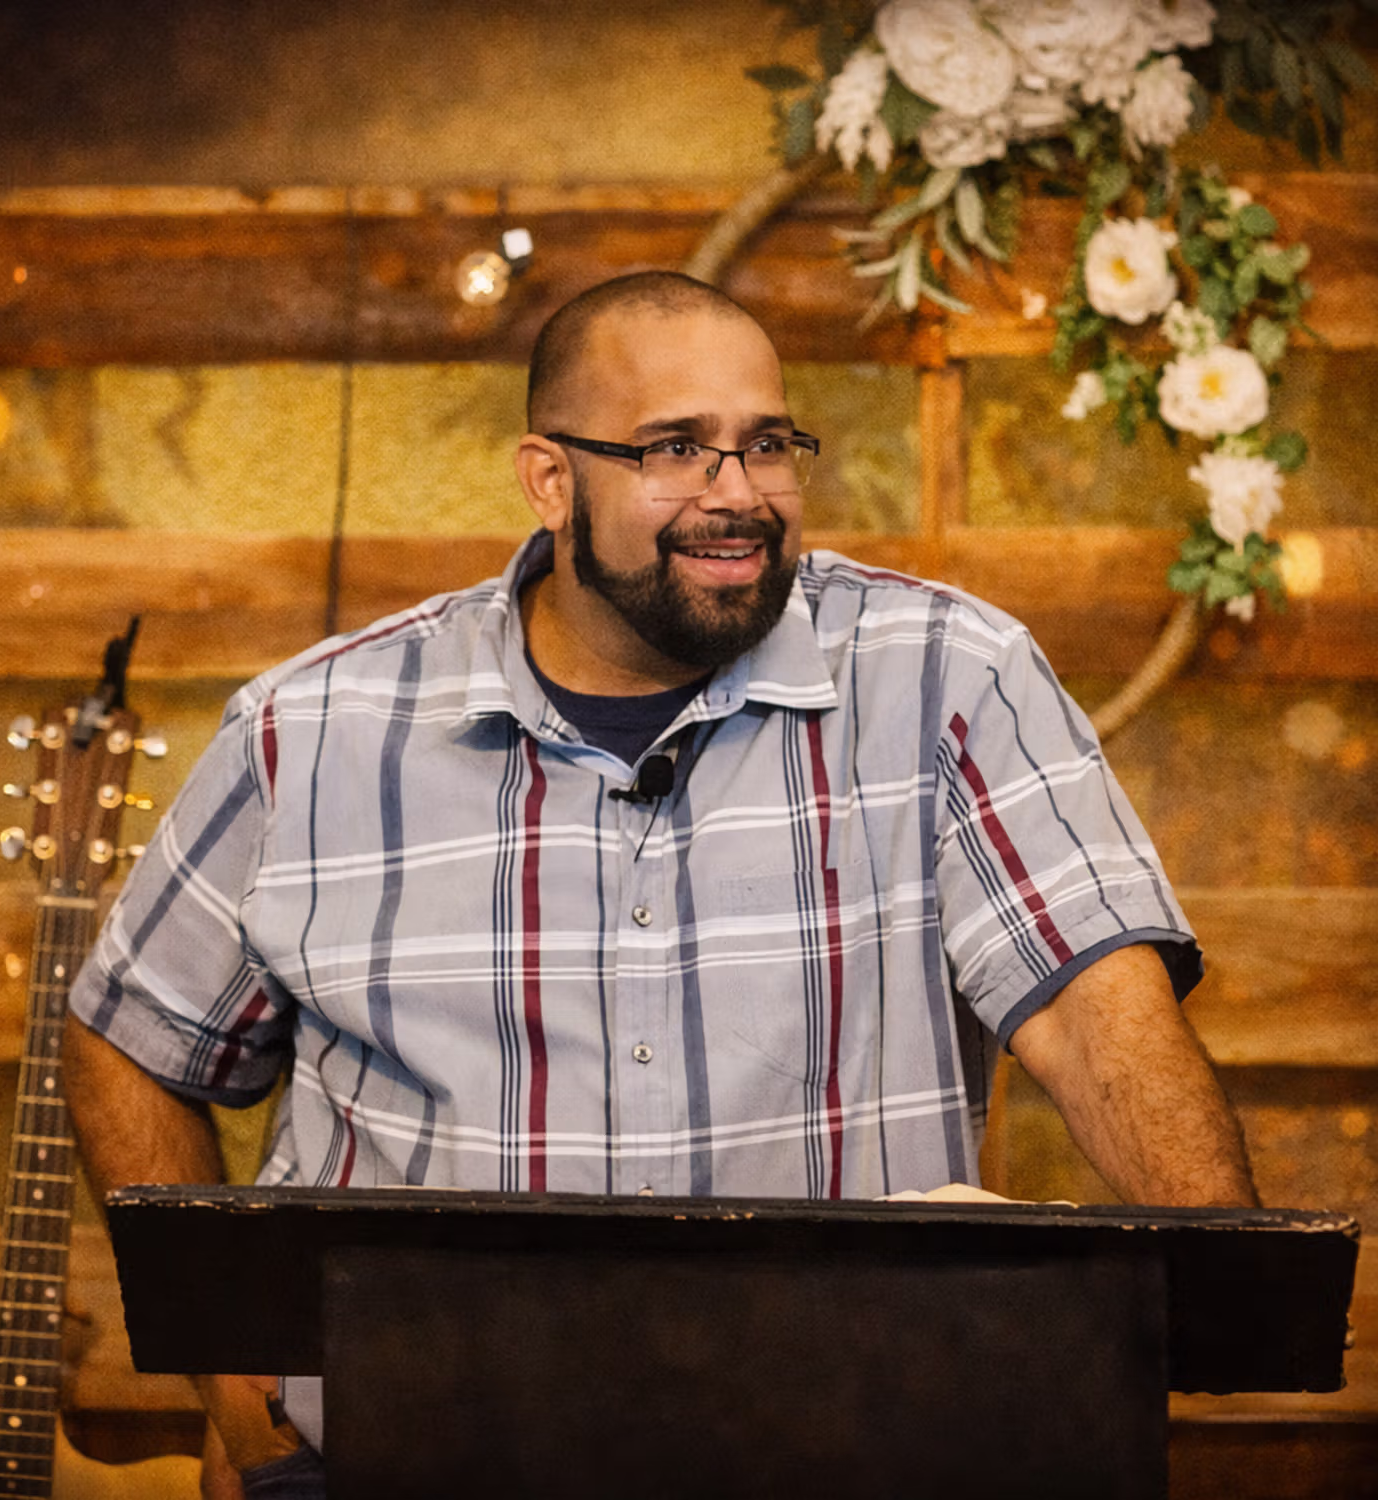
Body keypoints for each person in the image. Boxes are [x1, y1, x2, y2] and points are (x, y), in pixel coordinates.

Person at [64, 270, 1257, 1497]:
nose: (735, 494)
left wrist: (1230, 1295)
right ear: (548, 478)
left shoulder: (949, 675)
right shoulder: (308, 729)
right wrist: (237, 1394)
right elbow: (130, 1041)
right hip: (403, 1454)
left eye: (767, 445)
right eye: (677, 449)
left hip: (844, 1447)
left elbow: (1092, 1009)